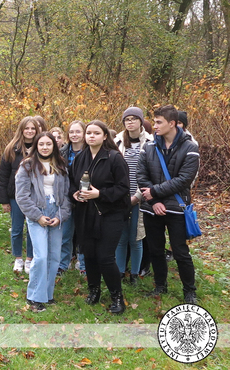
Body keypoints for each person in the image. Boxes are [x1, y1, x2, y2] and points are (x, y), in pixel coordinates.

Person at [137, 105, 200, 304]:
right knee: (156, 249)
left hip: (176, 209)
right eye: (154, 122)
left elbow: (183, 180)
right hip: (151, 208)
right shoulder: (148, 146)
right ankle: (160, 286)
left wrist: (154, 192)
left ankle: (189, 291)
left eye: (158, 122)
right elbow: (141, 175)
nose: (154, 126)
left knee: (180, 252)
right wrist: (154, 201)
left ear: (171, 123)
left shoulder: (191, 148)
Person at [69, 120, 131, 314]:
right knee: (89, 255)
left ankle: (117, 297)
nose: (91, 136)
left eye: (96, 133)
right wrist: (75, 194)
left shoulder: (114, 158)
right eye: (89, 133)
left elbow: (123, 188)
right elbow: (71, 182)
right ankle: (93, 291)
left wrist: (100, 194)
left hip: (110, 213)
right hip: (85, 213)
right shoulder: (80, 157)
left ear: (105, 136)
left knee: (105, 257)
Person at [14, 132, 71, 312]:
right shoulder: (27, 166)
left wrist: (60, 216)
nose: (45, 147)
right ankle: (34, 297)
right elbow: (21, 196)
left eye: (48, 144)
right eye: (41, 144)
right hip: (37, 213)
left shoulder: (61, 166)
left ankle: (48, 294)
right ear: (36, 146)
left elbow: (67, 195)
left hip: (56, 212)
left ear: (54, 146)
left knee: (54, 256)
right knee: (41, 256)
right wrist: (37, 216)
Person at [114, 107, 153, 285]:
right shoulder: (117, 142)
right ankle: (120, 271)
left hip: (140, 198)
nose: (130, 122)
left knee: (136, 237)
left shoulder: (151, 142)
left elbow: (151, 172)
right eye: (126, 119)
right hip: (120, 197)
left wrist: (137, 196)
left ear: (140, 121)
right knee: (120, 237)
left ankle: (135, 274)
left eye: (133, 119)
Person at [0, 116, 40, 274]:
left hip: (35, 196)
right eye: (27, 128)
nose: (30, 131)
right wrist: (4, 200)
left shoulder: (40, 148)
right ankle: (18, 258)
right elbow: (3, 176)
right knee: (16, 228)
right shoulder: (11, 149)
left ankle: (29, 258)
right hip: (15, 196)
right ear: (21, 130)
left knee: (32, 228)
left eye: (33, 129)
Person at [59, 120, 86, 275]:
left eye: (78, 132)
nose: (74, 135)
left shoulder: (89, 151)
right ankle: (63, 263)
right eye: (71, 132)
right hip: (66, 198)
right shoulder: (62, 152)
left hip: (84, 197)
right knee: (65, 234)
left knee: (83, 234)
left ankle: (83, 265)